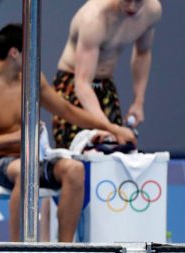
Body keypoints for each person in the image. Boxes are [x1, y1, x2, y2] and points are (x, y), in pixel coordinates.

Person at [0, 23, 136, 242]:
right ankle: (17, 250)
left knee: (74, 170)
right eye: (31, 51)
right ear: (15, 53)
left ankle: (64, 249)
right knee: (26, 171)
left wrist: (112, 128)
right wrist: (14, 138)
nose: (36, 57)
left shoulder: (32, 79)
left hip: (32, 158)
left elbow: (67, 110)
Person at [53, 0, 162, 148]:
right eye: (127, 0)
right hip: (74, 83)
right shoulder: (94, 18)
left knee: (116, 146)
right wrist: (109, 128)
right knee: (75, 152)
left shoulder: (152, 11)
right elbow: (82, 84)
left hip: (105, 84)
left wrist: (138, 102)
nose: (132, 7)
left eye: (138, 1)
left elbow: (143, 53)